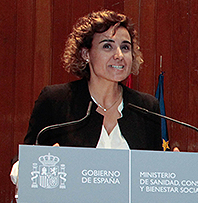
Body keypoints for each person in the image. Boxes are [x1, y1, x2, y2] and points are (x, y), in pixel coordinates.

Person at [11, 9, 162, 183]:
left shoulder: (146, 107)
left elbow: (154, 175)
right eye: (107, 46)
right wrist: (31, 167)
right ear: (85, 54)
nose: (119, 55)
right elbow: (24, 163)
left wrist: (173, 165)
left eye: (125, 47)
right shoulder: (56, 100)